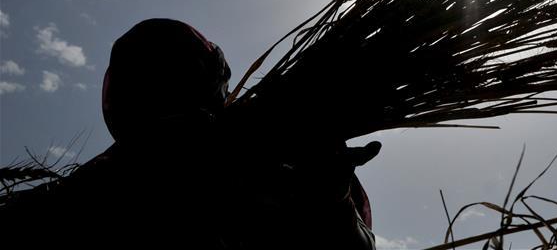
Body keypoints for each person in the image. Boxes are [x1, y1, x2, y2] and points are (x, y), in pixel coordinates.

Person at [0, 18, 379, 249]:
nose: (173, 123)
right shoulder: (98, 184)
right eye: (151, 97)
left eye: (178, 89)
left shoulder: (281, 160)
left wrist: (332, 200)